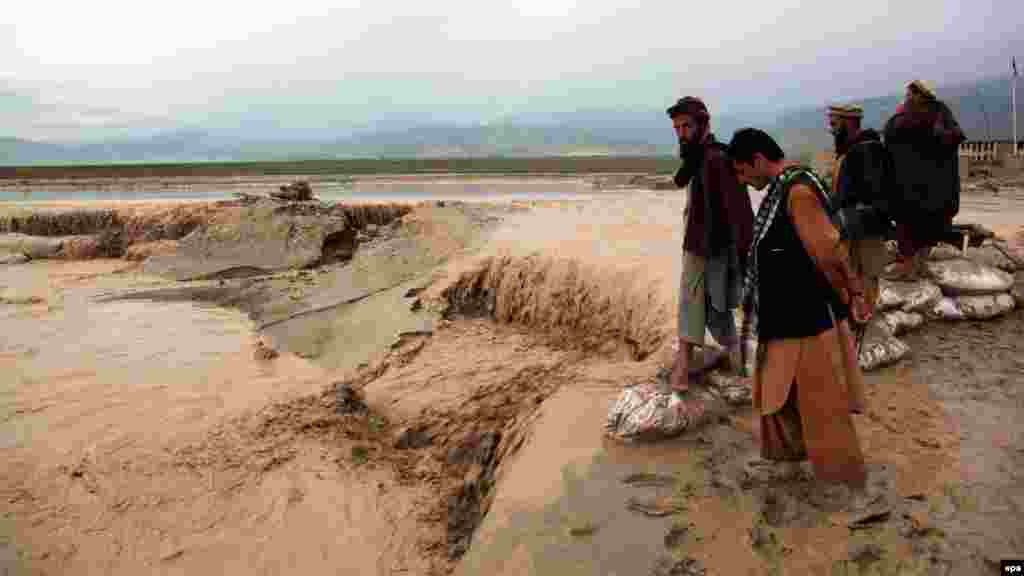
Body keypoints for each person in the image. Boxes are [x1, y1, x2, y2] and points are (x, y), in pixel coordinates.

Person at [727, 127, 870, 488]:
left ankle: (844, 480)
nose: (743, 181)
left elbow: (829, 250)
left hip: (806, 319)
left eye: (743, 172)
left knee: (822, 404)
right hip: (780, 318)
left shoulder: (799, 192)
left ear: (759, 160)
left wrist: (854, 293)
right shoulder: (781, 191)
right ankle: (787, 463)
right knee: (775, 394)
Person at [667, 97, 754, 393]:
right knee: (691, 301)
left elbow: (739, 211)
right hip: (696, 245)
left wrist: (745, 255)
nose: (681, 133)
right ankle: (684, 366)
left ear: (703, 125)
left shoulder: (716, 159)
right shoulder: (696, 157)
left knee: (718, 308)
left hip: (715, 247)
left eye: (686, 126)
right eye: (677, 128)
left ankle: (734, 359)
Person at [883, 80, 966, 279]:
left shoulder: (910, 115)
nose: (907, 97)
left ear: (919, 95)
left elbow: (891, 134)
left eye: (910, 94)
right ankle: (916, 265)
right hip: (932, 186)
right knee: (926, 226)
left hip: (914, 186)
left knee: (912, 225)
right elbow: (954, 136)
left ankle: (911, 266)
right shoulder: (940, 113)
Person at [826, 103, 893, 315]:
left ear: (848, 123)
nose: (832, 129)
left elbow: (875, 194)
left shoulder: (867, 149)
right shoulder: (850, 150)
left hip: (866, 230)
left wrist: (852, 215)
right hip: (851, 227)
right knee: (850, 276)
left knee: (866, 276)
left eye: (835, 124)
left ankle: (865, 318)